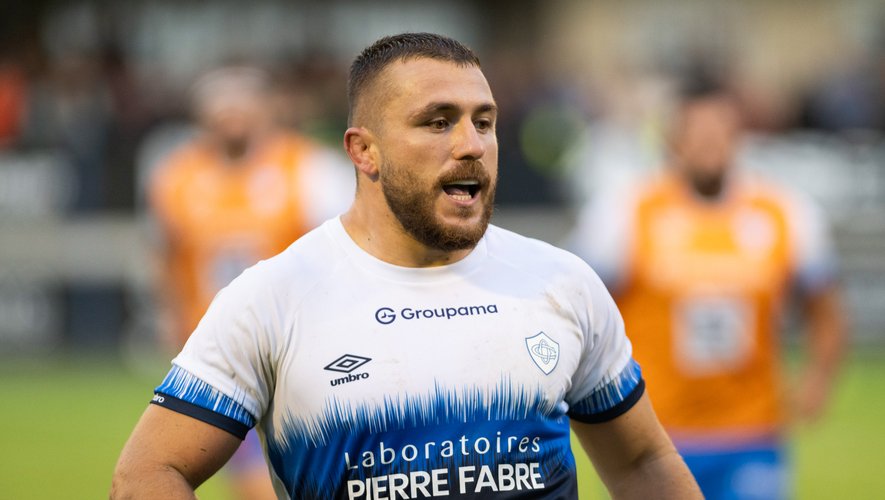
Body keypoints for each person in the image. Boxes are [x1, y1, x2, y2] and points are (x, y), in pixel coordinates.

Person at [112, 33, 701, 499]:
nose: (471, 144)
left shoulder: (561, 283)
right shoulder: (271, 298)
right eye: (438, 122)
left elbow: (642, 461)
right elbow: (147, 473)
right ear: (363, 151)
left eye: (484, 122)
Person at [567, 75, 848, 499]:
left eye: (720, 133)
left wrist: (818, 376)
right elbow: (575, 301)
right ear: (673, 141)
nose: (709, 145)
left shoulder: (783, 212)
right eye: (697, 135)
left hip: (751, 430)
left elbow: (824, 306)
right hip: (653, 433)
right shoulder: (625, 212)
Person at [142, 65, 353, 499]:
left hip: (297, 341)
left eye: (241, 106)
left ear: (266, 110)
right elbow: (165, 251)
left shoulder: (310, 168)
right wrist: (169, 315)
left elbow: (345, 252)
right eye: (221, 109)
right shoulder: (176, 174)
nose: (231, 118)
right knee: (248, 474)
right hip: (219, 346)